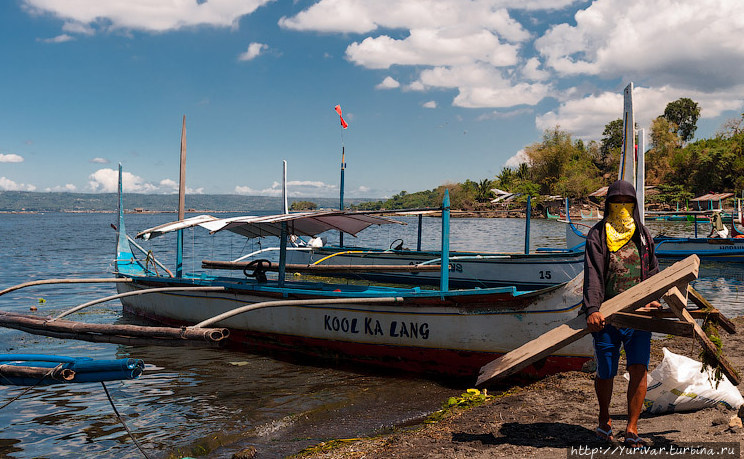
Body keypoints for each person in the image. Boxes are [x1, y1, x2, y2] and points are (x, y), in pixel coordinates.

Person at [583, 180, 661, 447]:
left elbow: (652, 272)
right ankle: (604, 420)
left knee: (639, 368)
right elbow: (593, 275)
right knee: (606, 370)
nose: (622, 208)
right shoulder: (597, 235)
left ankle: (632, 427)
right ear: (608, 205)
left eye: (627, 203)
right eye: (616, 203)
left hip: (639, 316)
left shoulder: (643, 235)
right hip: (606, 315)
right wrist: (593, 309)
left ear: (635, 205)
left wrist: (654, 299)